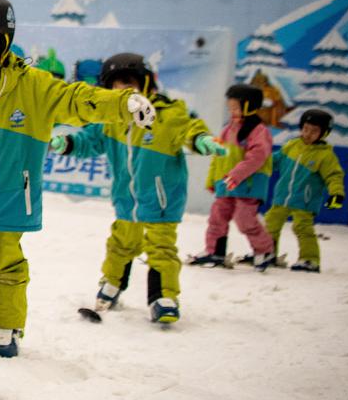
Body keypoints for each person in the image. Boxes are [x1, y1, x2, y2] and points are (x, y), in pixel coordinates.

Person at [0, 0, 156, 354]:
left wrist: (121, 102)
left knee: (3, 259)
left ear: (3, 45)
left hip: (11, 189)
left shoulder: (34, 87)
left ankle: (6, 327)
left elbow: (78, 99)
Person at [50, 53, 224, 324]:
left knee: (160, 248)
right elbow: (89, 139)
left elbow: (187, 128)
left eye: (129, 84)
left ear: (144, 84)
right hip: (126, 199)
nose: (124, 91)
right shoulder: (111, 121)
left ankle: (163, 297)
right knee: (120, 244)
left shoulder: (167, 113)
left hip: (160, 199)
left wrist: (200, 140)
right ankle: (111, 285)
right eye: (117, 86)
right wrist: (68, 143)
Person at [192, 84, 276, 271]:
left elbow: (257, 157)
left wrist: (236, 175)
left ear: (249, 106)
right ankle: (215, 251)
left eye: (235, 107)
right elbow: (218, 154)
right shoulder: (228, 129)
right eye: (229, 107)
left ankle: (264, 250)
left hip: (248, 185)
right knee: (217, 218)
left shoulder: (258, 131)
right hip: (226, 184)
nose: (231, 111)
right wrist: (213, 180)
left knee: (244, 220)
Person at [263, 109, 345, 272]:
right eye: (305, 129)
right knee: (271, 224)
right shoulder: (292, 145)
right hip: (282, 196)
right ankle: (267, 253)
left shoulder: (325, 156)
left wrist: (336, 193)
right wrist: (256, 163)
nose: (308, 134)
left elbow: (334, 176)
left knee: (302, 227)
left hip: (305, 200)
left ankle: (309, 259)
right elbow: (275, 160)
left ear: (324, 133)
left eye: (314, 131)